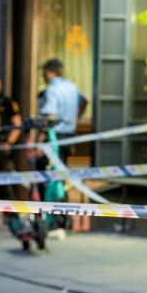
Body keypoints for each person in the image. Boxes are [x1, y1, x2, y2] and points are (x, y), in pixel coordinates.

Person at [38, 58, 83, 239]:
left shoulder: (52, 90)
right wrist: (74, 119)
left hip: (54, 139)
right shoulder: (72, 87)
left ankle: (55, 223)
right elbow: (84, 101)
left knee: (51, 181)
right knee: (61, 179)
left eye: (44, 72)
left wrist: (40, 141)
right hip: (68, 137)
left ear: (50, 72)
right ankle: (64, 220)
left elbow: (50, 117)